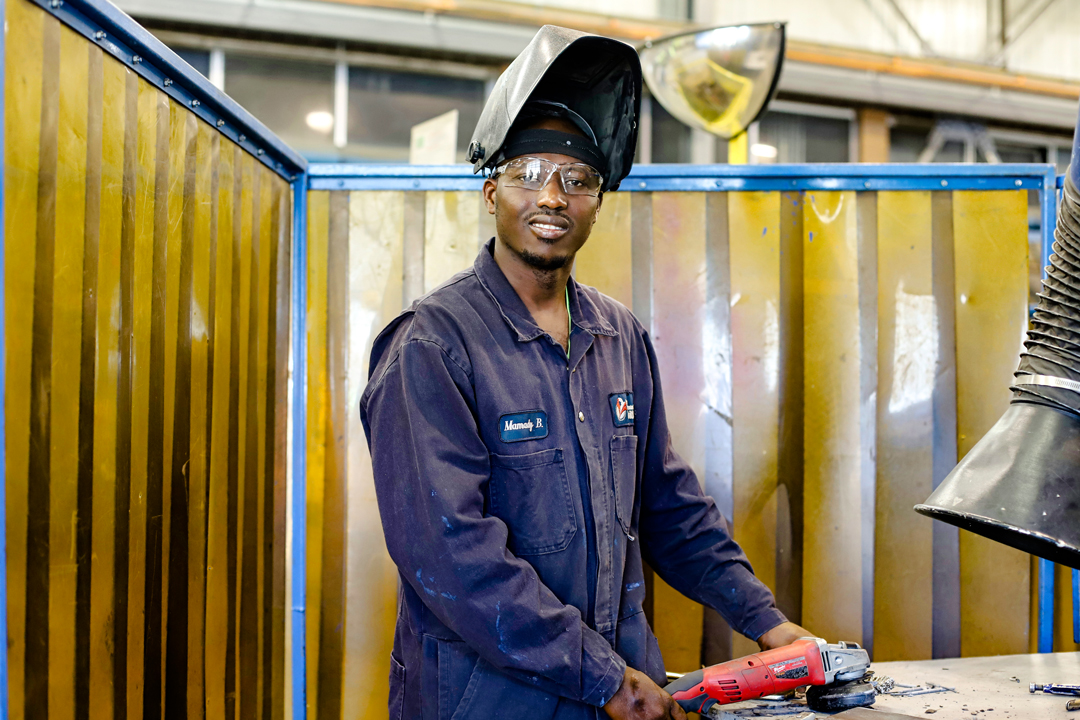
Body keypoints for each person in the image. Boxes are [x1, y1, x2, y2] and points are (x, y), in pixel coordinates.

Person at [360, 25, 811, 720]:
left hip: (616, 693)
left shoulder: (619, 337)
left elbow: (668, 506)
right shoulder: (431, 346)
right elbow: (452, 556)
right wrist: (604, 677)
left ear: (598, 202)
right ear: (491, 191)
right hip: (489, 703)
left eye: (577, 180)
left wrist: (765, 620)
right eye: (529, 174)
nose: (552, 197)